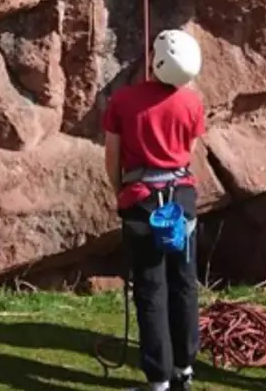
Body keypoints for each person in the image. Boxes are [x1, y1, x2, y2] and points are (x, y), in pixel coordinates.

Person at [102, 28, 208, 391]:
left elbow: (112, 156)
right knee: (183, 284)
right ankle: (184, 368)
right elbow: (188, 151)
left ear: (155, 59)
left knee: (151, 289)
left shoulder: (123, 100)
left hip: (142, 201)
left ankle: (159, 379)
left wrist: (122, 192)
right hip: (181, 199)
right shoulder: (193, 103)